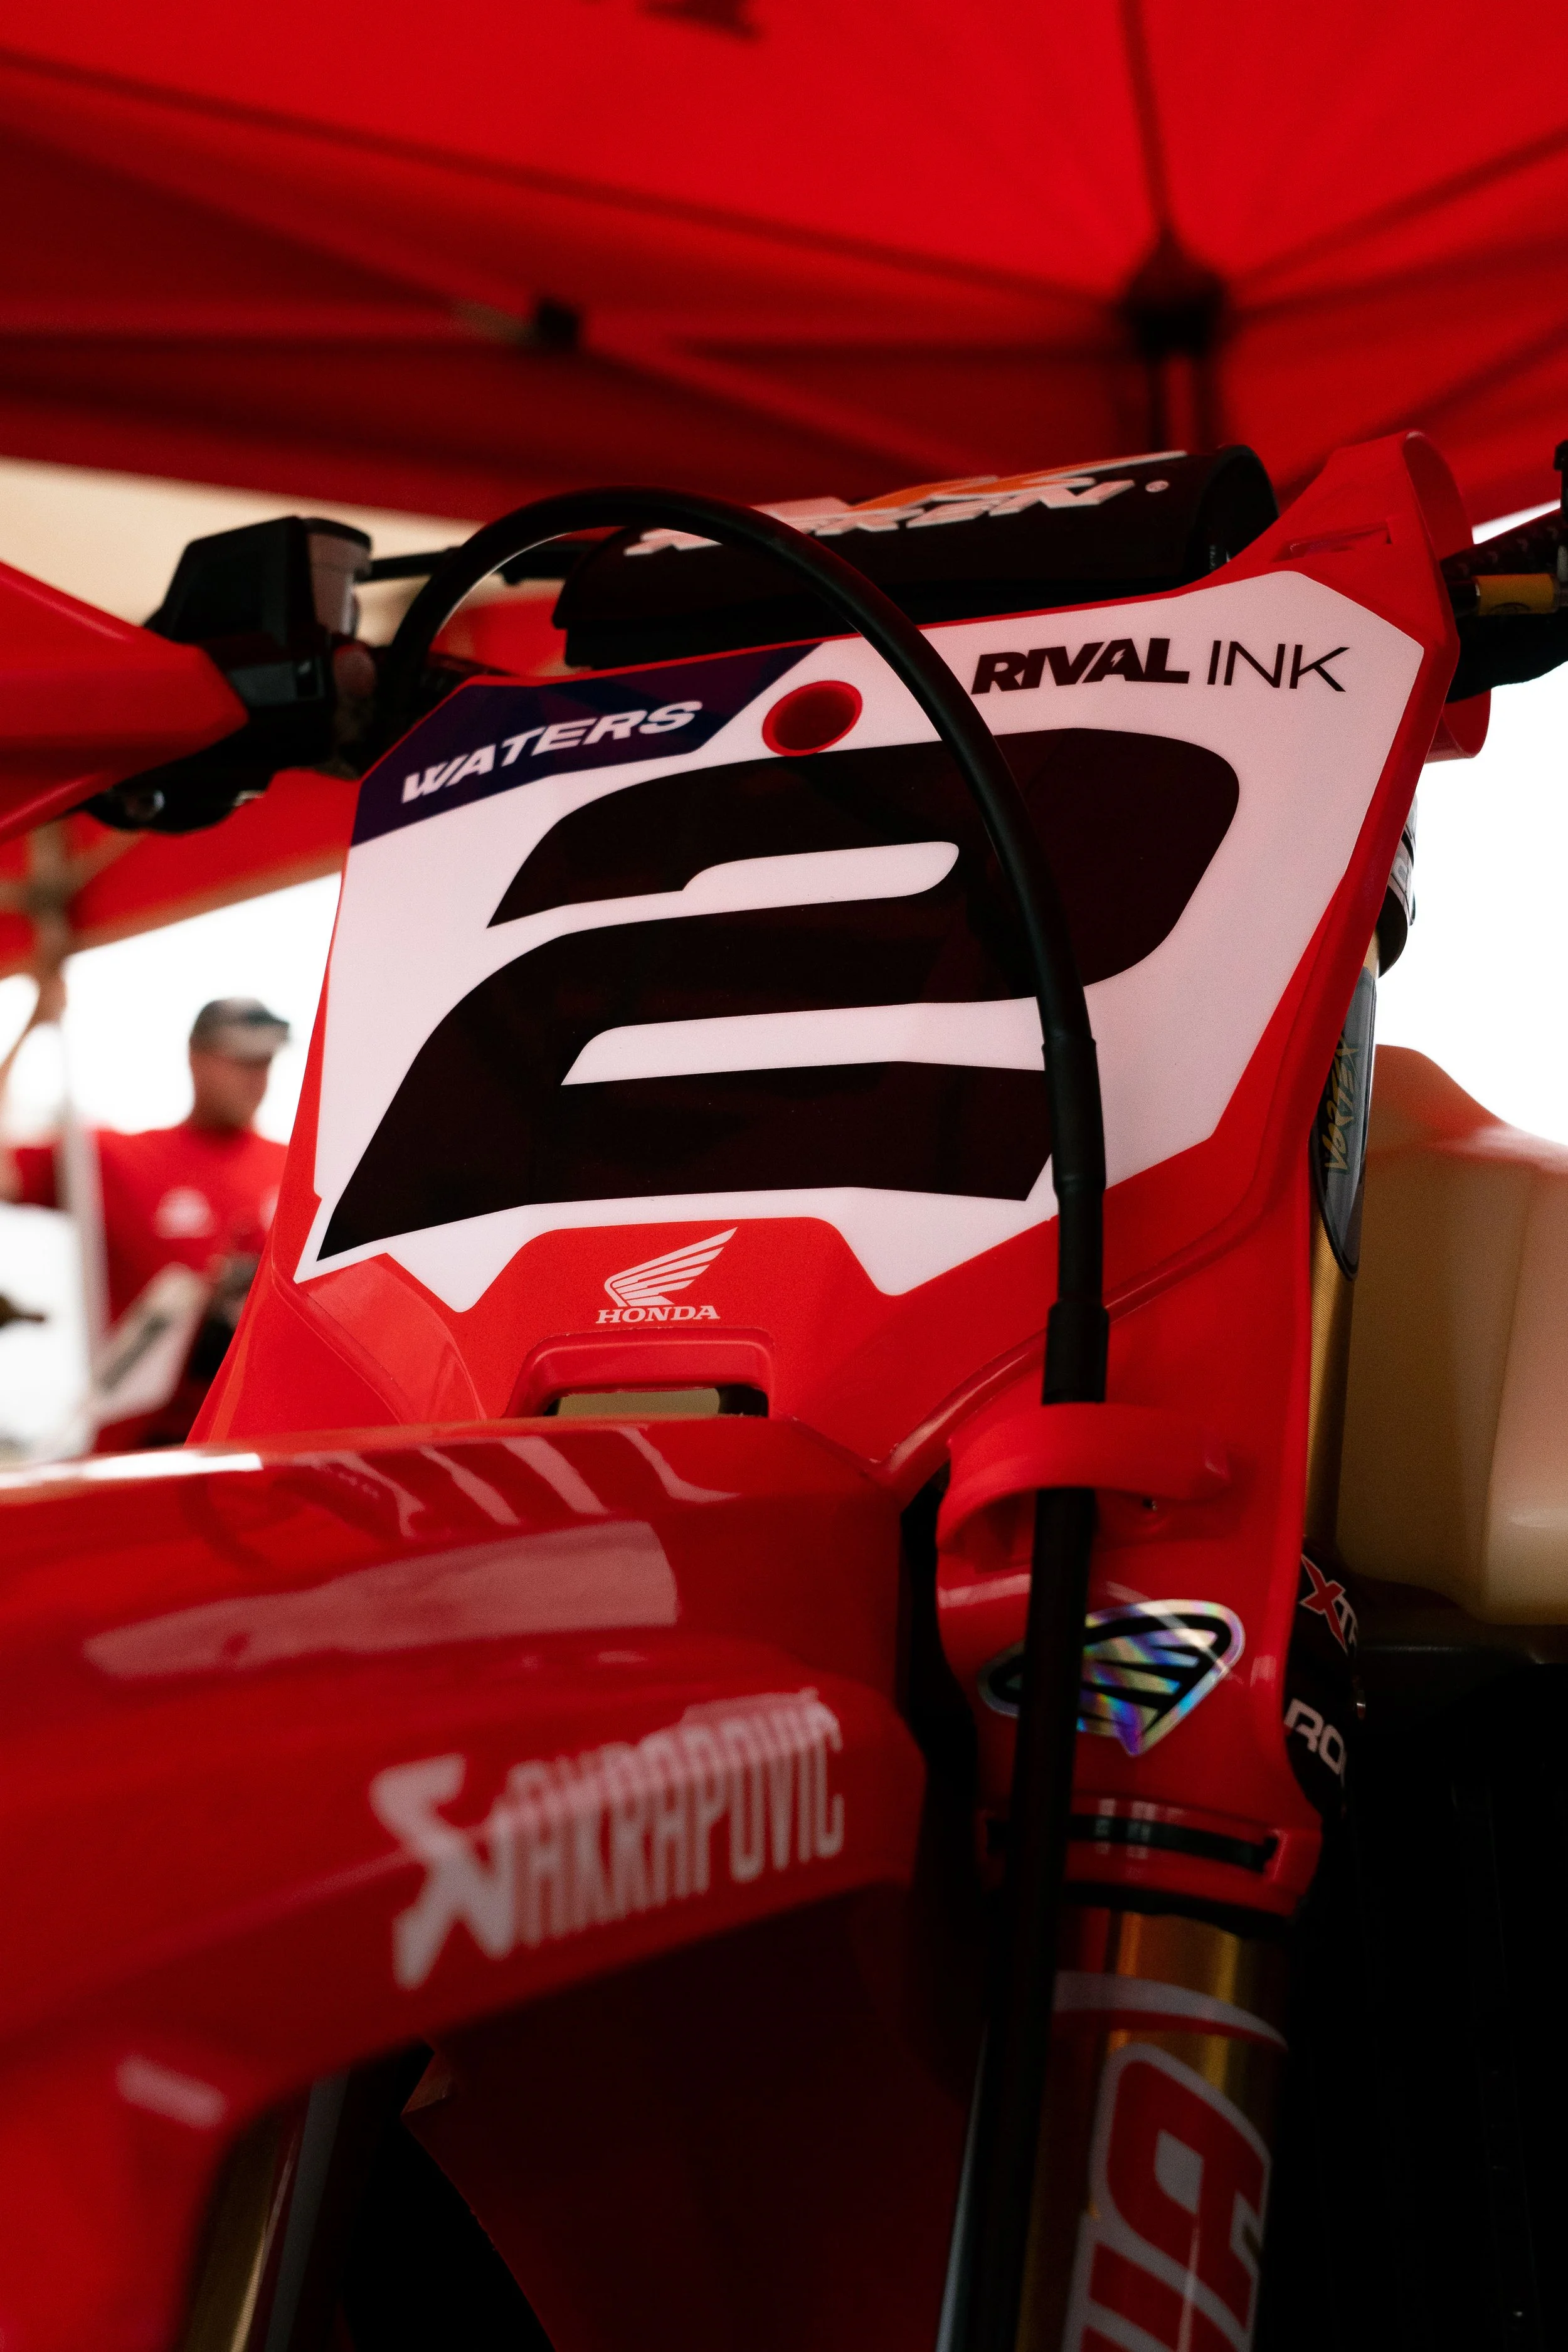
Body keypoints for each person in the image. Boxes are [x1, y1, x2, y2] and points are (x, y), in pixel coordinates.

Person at [0, 983, 290, 1446]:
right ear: (195, 1059)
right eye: (240, 1060)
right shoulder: (119, 1159)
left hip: (259, 1442)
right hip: (143, 1445)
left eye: (266, 1062)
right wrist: (33, 1026)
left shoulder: (298, 1170)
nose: (256, 1078)